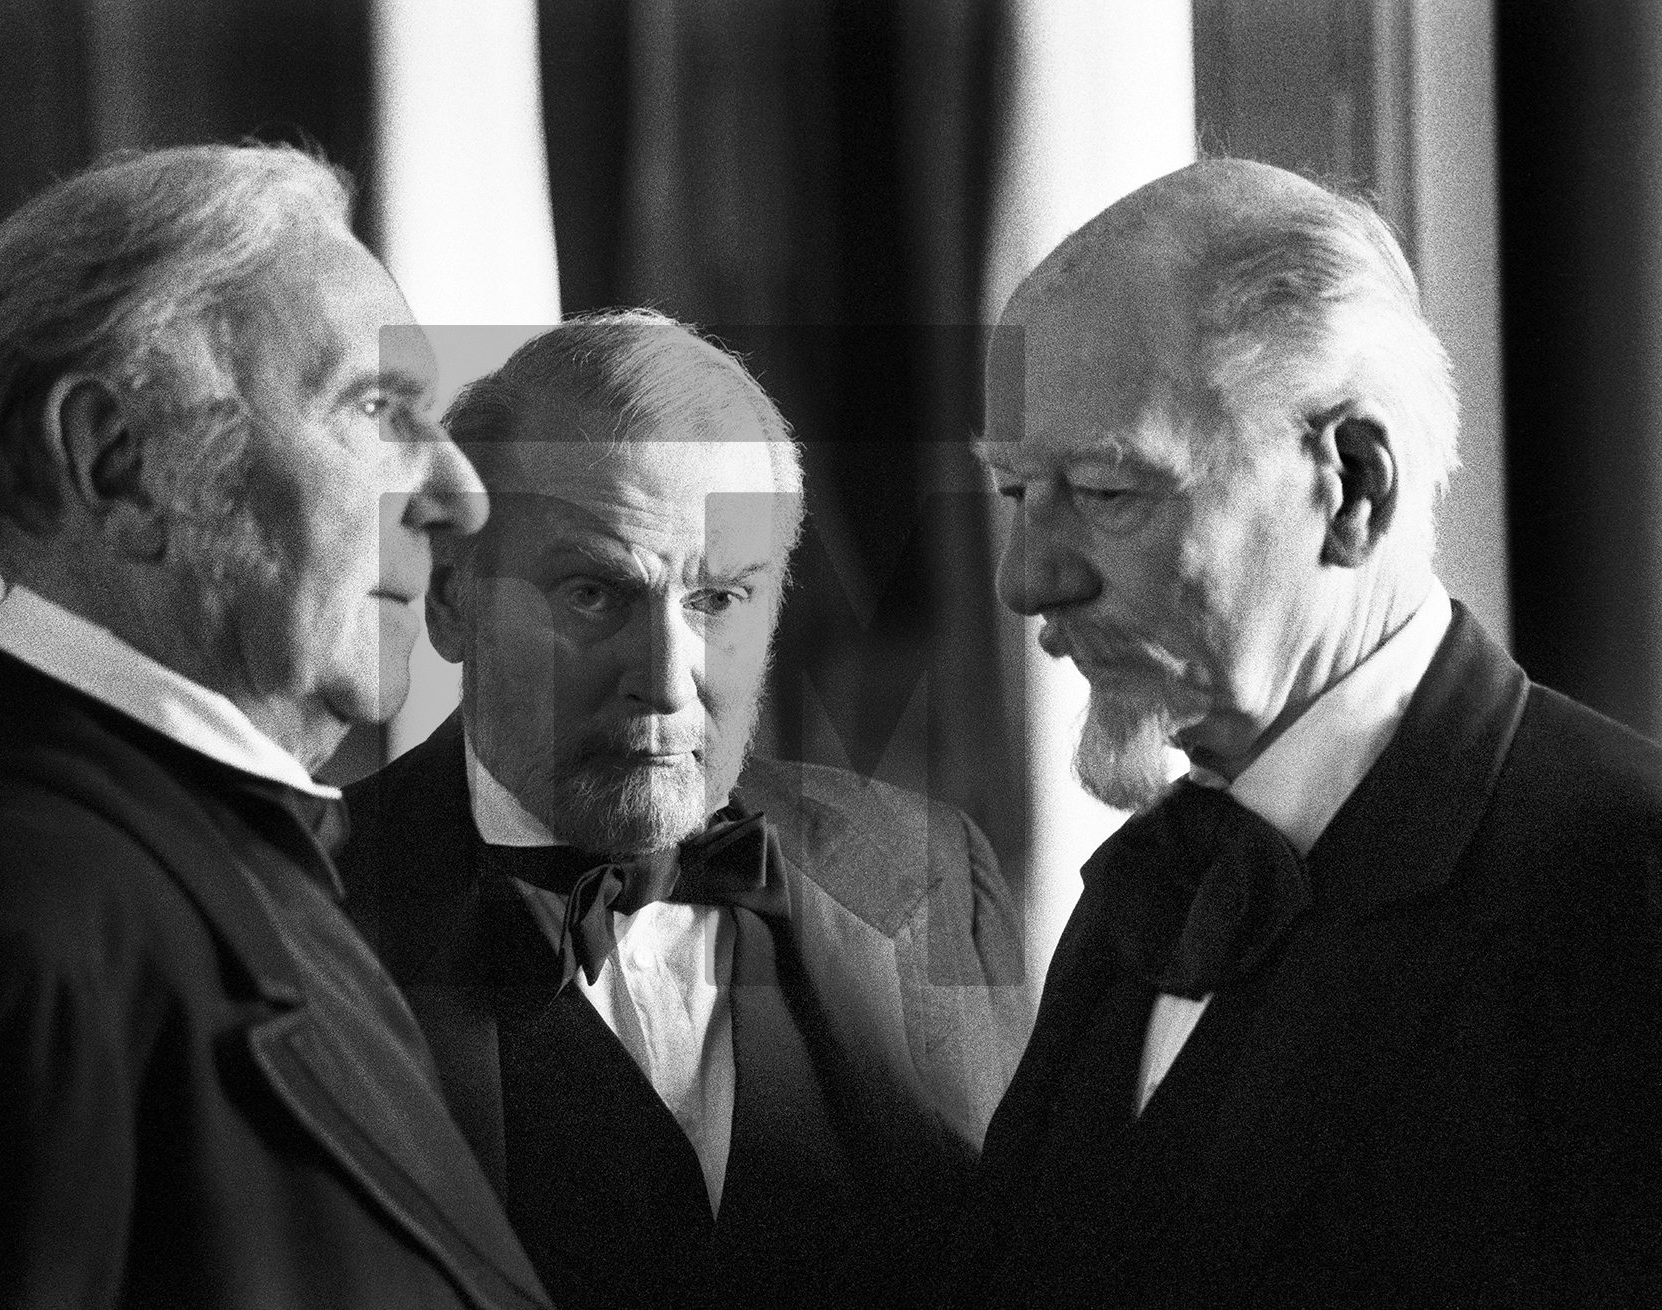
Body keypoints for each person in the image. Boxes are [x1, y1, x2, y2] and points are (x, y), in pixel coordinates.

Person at [0, 144, 551, 1309]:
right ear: (119, 468)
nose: (457, 492)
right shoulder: (14, 930)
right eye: (373, 408)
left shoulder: (195, 858)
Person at [951, 157, 1662, 1307]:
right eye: (1014, 493)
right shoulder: (1137, 903)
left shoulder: (1622, 891)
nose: (1028, 578)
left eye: (1107, 490)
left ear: (1355, 484)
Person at [336, 310, 1031, 1310]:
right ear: (450, 596)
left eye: (717, 601)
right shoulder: (295, 910)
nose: (668, 679)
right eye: (592, 593)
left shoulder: (929, 871)